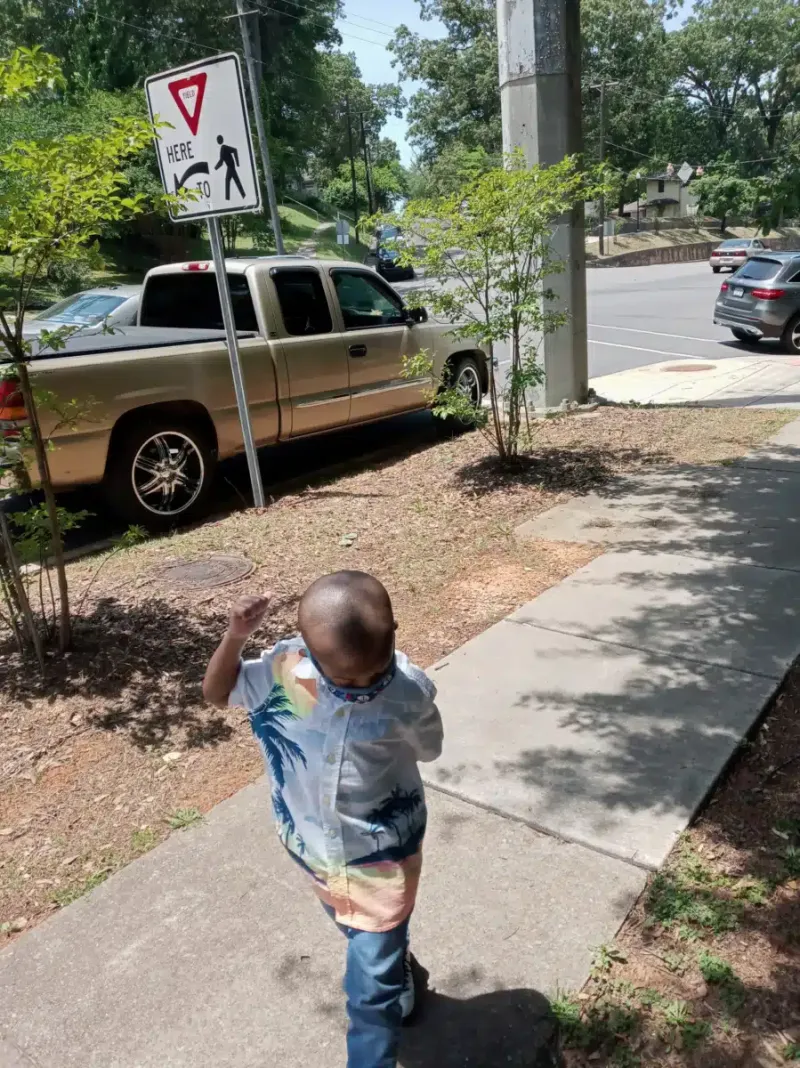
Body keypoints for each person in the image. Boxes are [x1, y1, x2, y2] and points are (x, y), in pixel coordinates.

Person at [203, 570, 443, 1068]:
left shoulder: (408, 693)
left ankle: (380, 993)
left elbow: (429, 748)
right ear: (311, 653)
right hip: (310, 844)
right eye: (344, 680)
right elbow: (217, 693)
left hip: (381, 853)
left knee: (368, 996)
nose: (361, 688)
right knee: (356, 930)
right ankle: (393, 962)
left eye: (374, 675)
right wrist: (236, 637)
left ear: (393, 634)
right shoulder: (290, 673)